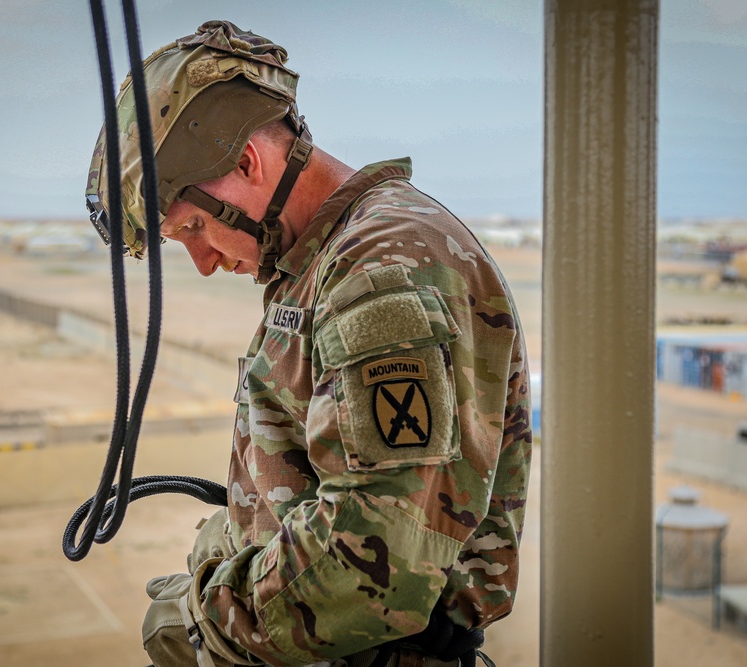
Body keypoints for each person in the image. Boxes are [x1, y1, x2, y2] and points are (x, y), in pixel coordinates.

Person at [86, 20, 531, 667]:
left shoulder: (382, 270)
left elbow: (375, 555)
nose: (204, 262)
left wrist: (204, 625)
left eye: (192, 227)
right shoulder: (324, 263)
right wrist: (230, 544)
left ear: (247, 162)